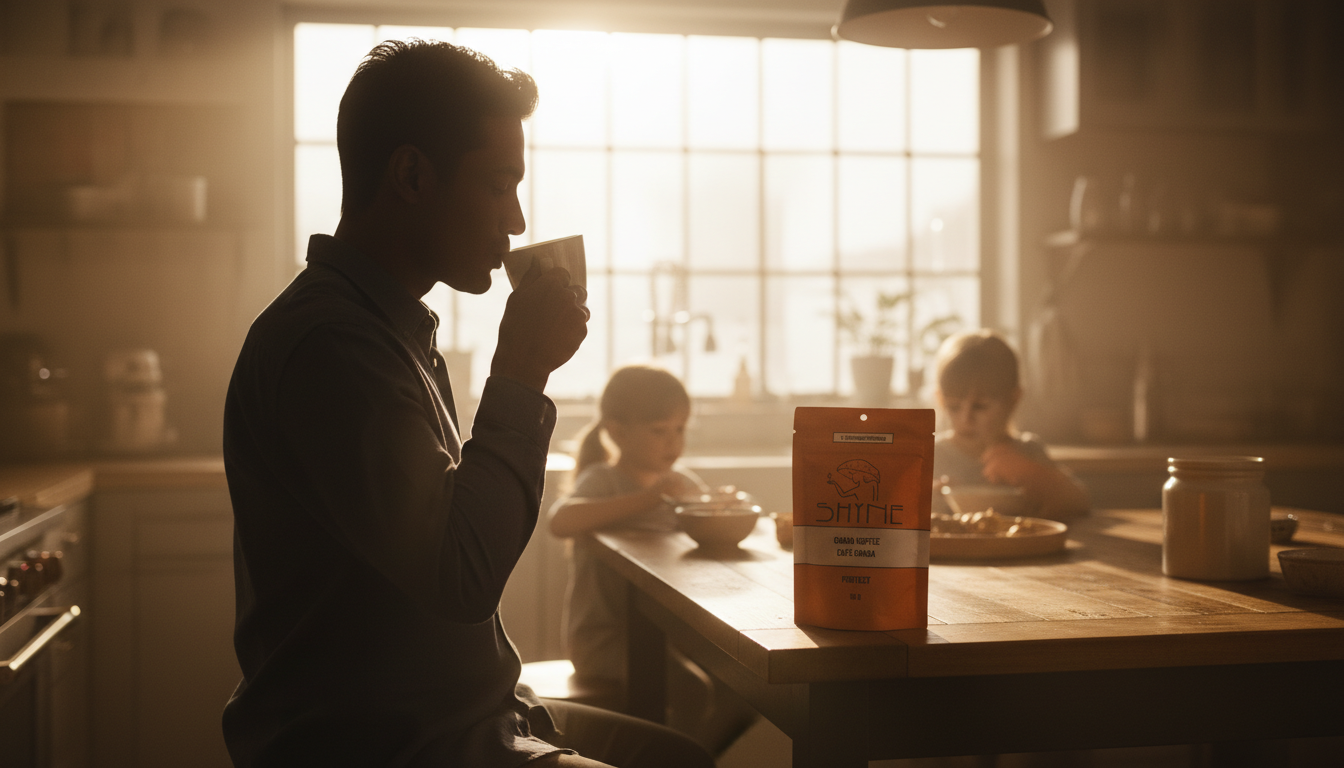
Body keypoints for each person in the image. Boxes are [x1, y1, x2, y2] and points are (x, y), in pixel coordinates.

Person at [222, 40, 712, 768]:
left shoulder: (388, 330)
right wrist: (520, 369)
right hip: (389, 745)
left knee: (682, 757)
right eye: (498, 184)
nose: (515, 220)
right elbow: (461, 576)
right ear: (412, 174)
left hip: (472, 719)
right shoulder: (330, 346)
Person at [549, 365, 756, 755]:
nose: (673, 443)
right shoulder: (602, 480)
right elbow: (561, 520)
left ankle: (683, 760)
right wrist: (648, 498)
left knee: (749, 686)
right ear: (617, 432)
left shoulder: (680, 481)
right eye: (660, 431)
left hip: (667, 637)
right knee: (692, 690)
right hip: (603, 640)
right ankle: (671, 761)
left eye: (680, 430)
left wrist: (726, 505)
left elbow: (707, 516)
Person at [932, 330, 1089, 520]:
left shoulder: (1027, 451)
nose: (966, 418)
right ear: (940, 400)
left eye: (980, 406)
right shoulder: (932, 455)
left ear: (1012, 400)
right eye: (954, 406)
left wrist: (1031, 473)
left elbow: (1080, 502)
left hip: (1020, 548)